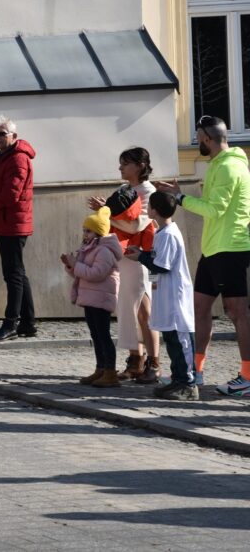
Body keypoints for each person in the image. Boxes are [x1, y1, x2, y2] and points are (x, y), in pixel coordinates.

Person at [156, 115, 250, 397]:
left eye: (198, 137)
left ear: (208, 138)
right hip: (213, 250)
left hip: (231, 249)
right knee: (198, 308)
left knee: (238, 314)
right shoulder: (218, 165)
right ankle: (194, 371)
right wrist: (180, 194)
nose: (197, 141)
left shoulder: (229, 168)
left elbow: (214, 210)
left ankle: (247, 376)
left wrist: (180, 198)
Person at [88, 148, 159, 383]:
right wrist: (104, 214)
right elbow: (116, 222)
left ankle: (153, 363)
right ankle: (135, 359)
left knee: (143, 311)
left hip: (141, 259)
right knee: (127, 311)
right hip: (124, 258)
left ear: (139, 166)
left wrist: (106, 213)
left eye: (125, 164)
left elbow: (136, 225)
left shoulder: (148, 192)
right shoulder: (124, 191)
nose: (120, 168)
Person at [124, 192, 198, 400]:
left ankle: (188, 384)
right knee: (171, 339)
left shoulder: (168, 234)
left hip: (175, 296)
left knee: (180, 339)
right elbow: (157, 259)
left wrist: (140, 257)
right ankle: (177, 379)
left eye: (149, 206)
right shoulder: (162, 232)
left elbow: (161, 266)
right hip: (165, 295)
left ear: (154, 210)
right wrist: (142, 253)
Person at [0, 114, 37, 341]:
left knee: (13, 275)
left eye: (2, 134)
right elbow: (0, 187)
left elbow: (12, 194)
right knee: (18, 274)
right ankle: (28, 324)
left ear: (14, 135)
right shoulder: (4, 157)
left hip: (12, 223)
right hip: (5, 221)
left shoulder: (17, 158)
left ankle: (11, 323)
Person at [62, 207, 123, 388]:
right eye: (84, 230)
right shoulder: (88, 248)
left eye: (88, 230)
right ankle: (101, 368)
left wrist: (76, 265)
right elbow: (82, 274)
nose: (85, 233)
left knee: (103, 334)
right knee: (95, 335)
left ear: (98, 231)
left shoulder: (103, 251)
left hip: (101, 298)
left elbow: (96, 274)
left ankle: (110, 372)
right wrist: (71, 266)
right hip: (89, 297)